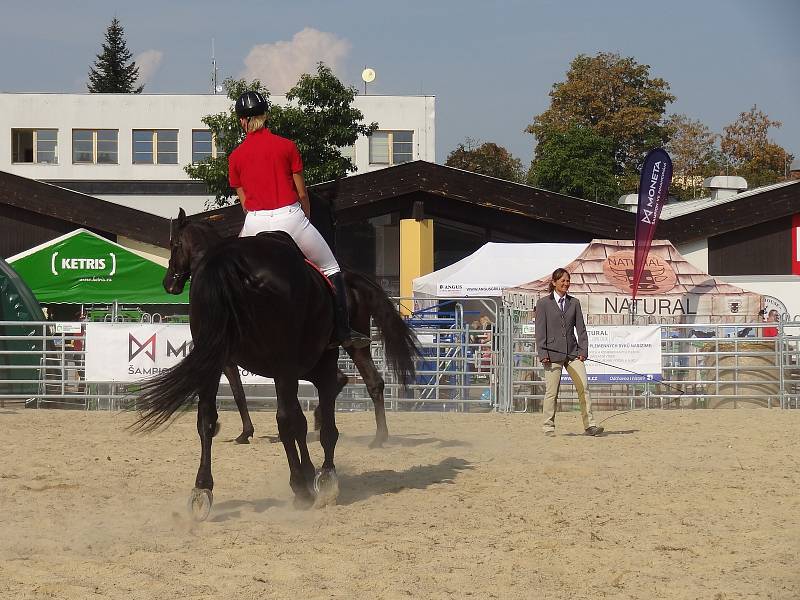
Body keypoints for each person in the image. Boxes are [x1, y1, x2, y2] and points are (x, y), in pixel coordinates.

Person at [228, 90, 369, 349]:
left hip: (255, 222)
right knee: (331, 268)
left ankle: (230, 329)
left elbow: (245, 204)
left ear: (241, 121)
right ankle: (342, 331)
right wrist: (305, 217)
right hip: (290, 218)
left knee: (231, 273)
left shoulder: (235, 157)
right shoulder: (287, 146)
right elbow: (302, 193)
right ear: (265, 116)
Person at [535, 268, 603, 436]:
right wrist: (543, 354)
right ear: (554, 282)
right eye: (562, 281)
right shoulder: (543, 304)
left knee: (584, 387)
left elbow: (581, 329)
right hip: (551, 354)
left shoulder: (574, 303)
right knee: (552, 392)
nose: (566, 283)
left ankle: (590, 425)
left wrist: (583, 350)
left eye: (567, 281)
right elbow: (539, 331)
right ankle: (548, 426)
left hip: (573, 354)